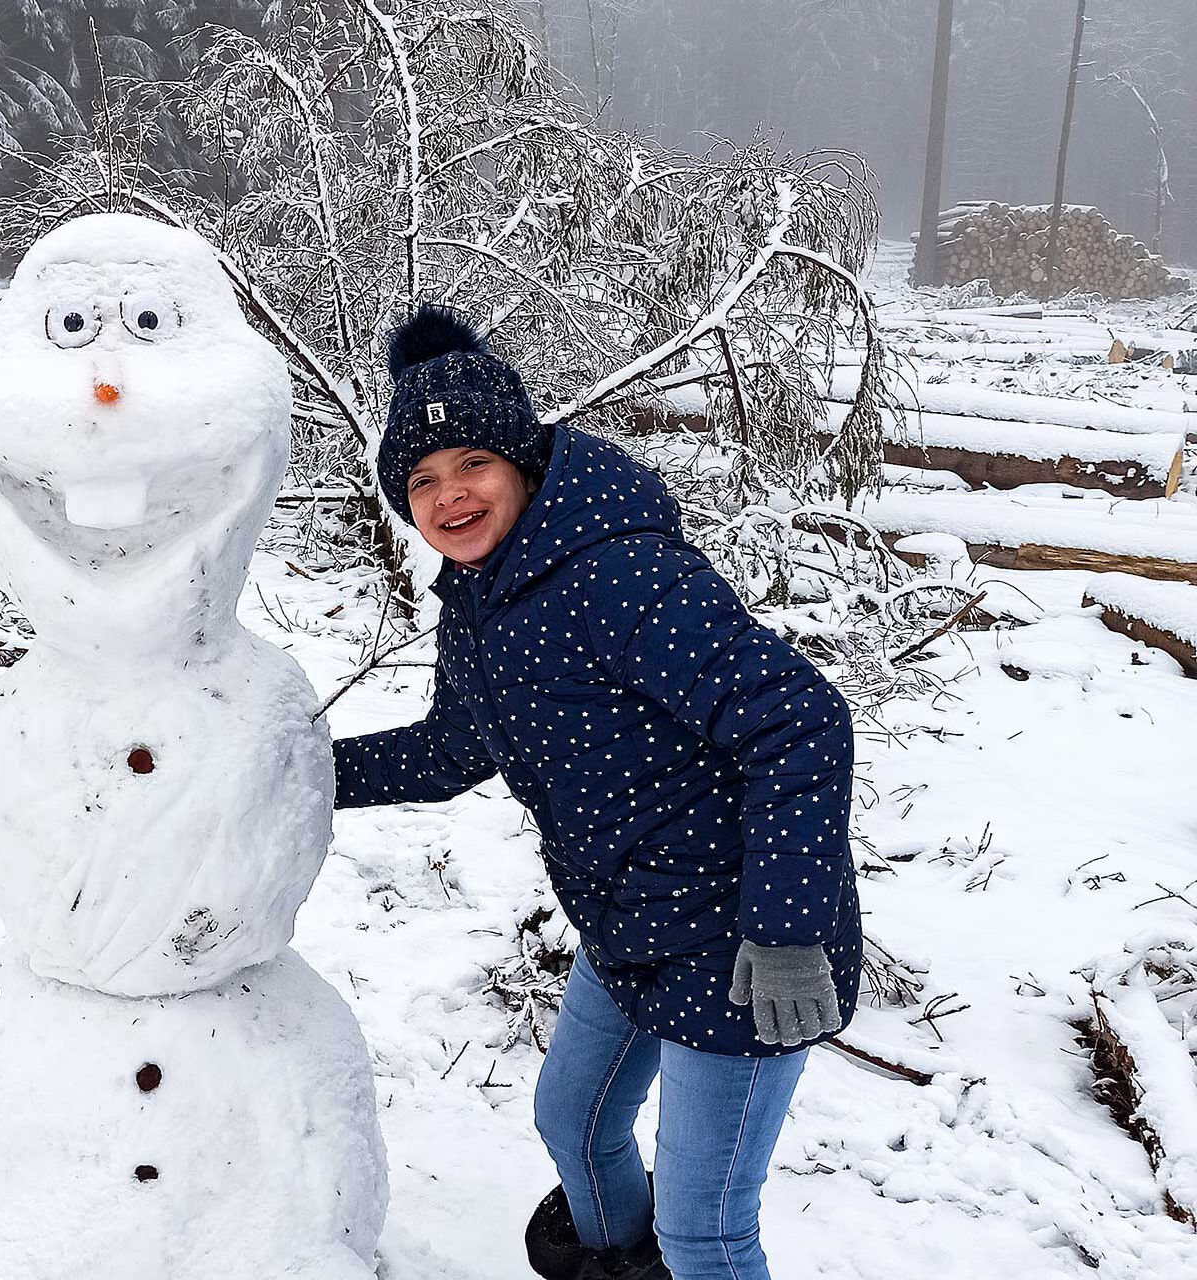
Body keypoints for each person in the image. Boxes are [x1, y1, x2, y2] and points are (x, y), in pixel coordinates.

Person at [331, 306, 862, 1280]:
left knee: (707, 1229)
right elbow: (455, 748)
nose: (450, 495)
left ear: (521, 462)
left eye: (472, 465)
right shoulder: (484, 596)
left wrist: (786, 932)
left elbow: (800, 719)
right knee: (572, 1119)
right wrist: (302, 773)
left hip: (744, 944)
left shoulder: (619, 570)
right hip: (630, 926)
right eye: (423, 479)